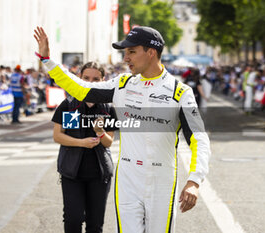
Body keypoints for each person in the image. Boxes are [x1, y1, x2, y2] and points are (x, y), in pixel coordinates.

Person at [34, 26, 210, 233]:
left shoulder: (180, 92)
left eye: (131, 52)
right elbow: (80, 89)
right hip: (128, 177)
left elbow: (198, 139)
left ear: (151, 52)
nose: (126, 58)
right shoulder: (123, 84)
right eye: (125, 52)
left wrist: (194, 180)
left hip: (161, 177)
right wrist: (47, 60)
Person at [52, 62, 118, 233]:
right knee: (73, 220)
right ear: (79, 79)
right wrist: (81, 142)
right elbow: (58, 136)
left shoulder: (108, 108)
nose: (91, 82)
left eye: (96, 79)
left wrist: (101, 132)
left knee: (95, 224)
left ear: (103, 80)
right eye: (86, 78)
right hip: (72, 172)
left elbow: (109, 142)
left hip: (99, 174)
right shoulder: (70, 104)